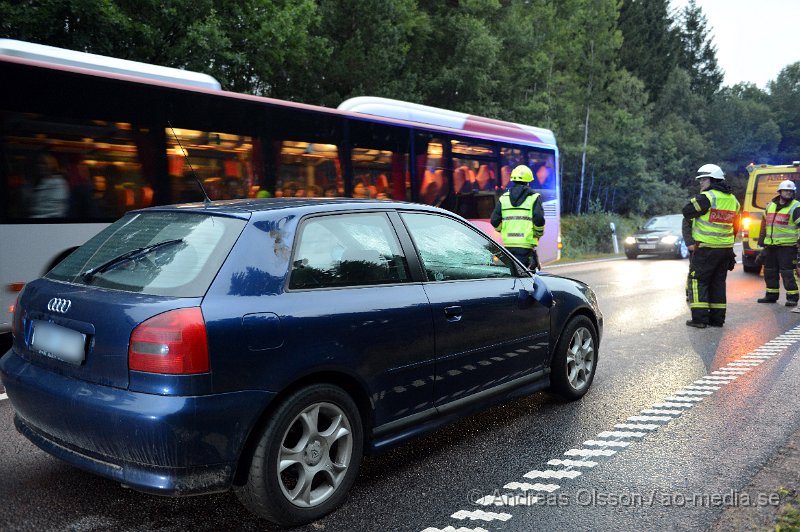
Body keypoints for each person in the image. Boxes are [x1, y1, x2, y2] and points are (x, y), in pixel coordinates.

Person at [682, 163, 741, 328]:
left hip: (706, 248)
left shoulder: (707, 197)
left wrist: (699, 198)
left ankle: (700, 319)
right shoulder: (733, 200)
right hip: (725, 250)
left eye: (704, 179)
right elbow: (736, 226)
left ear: (714, 180)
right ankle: (717, 319)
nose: (701, 183)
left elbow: (687, 211)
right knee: (717, 283)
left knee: (697, 280)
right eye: (700, 180)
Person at [490, 165, 545, 270]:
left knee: (511, 274)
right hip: (526, 246)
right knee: (525, 276)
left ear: (513, 180)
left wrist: (503, 229)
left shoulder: (504, 198)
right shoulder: (533, 198)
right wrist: (538, 233)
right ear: (528, 181)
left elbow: (494, 220)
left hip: (508, 246)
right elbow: (538, 219)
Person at [756, 180, 800, 305]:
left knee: (788, 272)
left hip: (787, 247)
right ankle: (771, 295)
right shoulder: (771, 206)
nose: (788, 193)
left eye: (791, 191)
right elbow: (764, 223)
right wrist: (762, 240)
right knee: (770, 271)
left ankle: (792, 298)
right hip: (771, 246)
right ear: (780, 192)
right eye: (786, 190)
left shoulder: (796, 207)